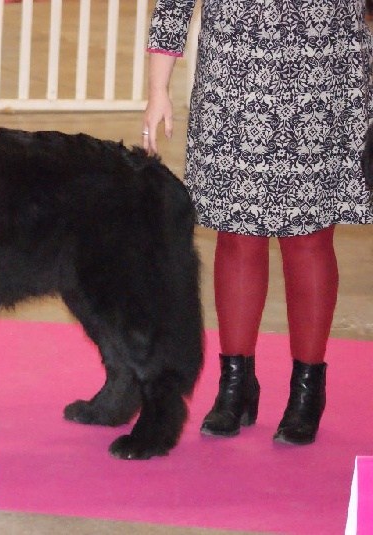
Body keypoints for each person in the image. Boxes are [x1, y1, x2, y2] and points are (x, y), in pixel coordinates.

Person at [142, 2, 372, 445]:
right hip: (234, 76)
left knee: (309, 237)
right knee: (236, 235)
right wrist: (158, 89)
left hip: (326, 75)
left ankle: (307, 392)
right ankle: (236, 385)